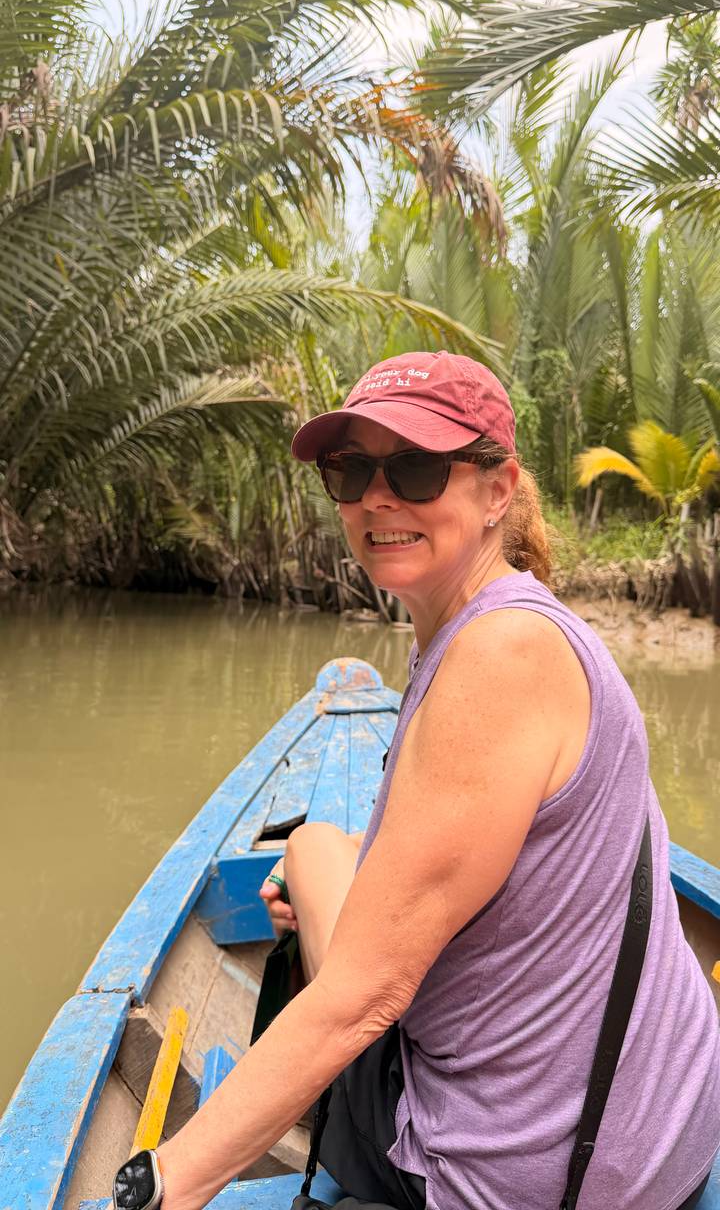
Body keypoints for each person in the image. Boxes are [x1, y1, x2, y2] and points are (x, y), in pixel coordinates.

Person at [150, 351, 719, 1210]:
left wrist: (162, 1183)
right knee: (322, 852)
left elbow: (363, 1000)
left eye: (416, 468)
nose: (380, 497)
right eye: (353, 471)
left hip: (538, 1178)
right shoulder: (501, 625)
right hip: (657, 1128)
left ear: (499, 490)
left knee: (312, 847)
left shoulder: (498, 658)